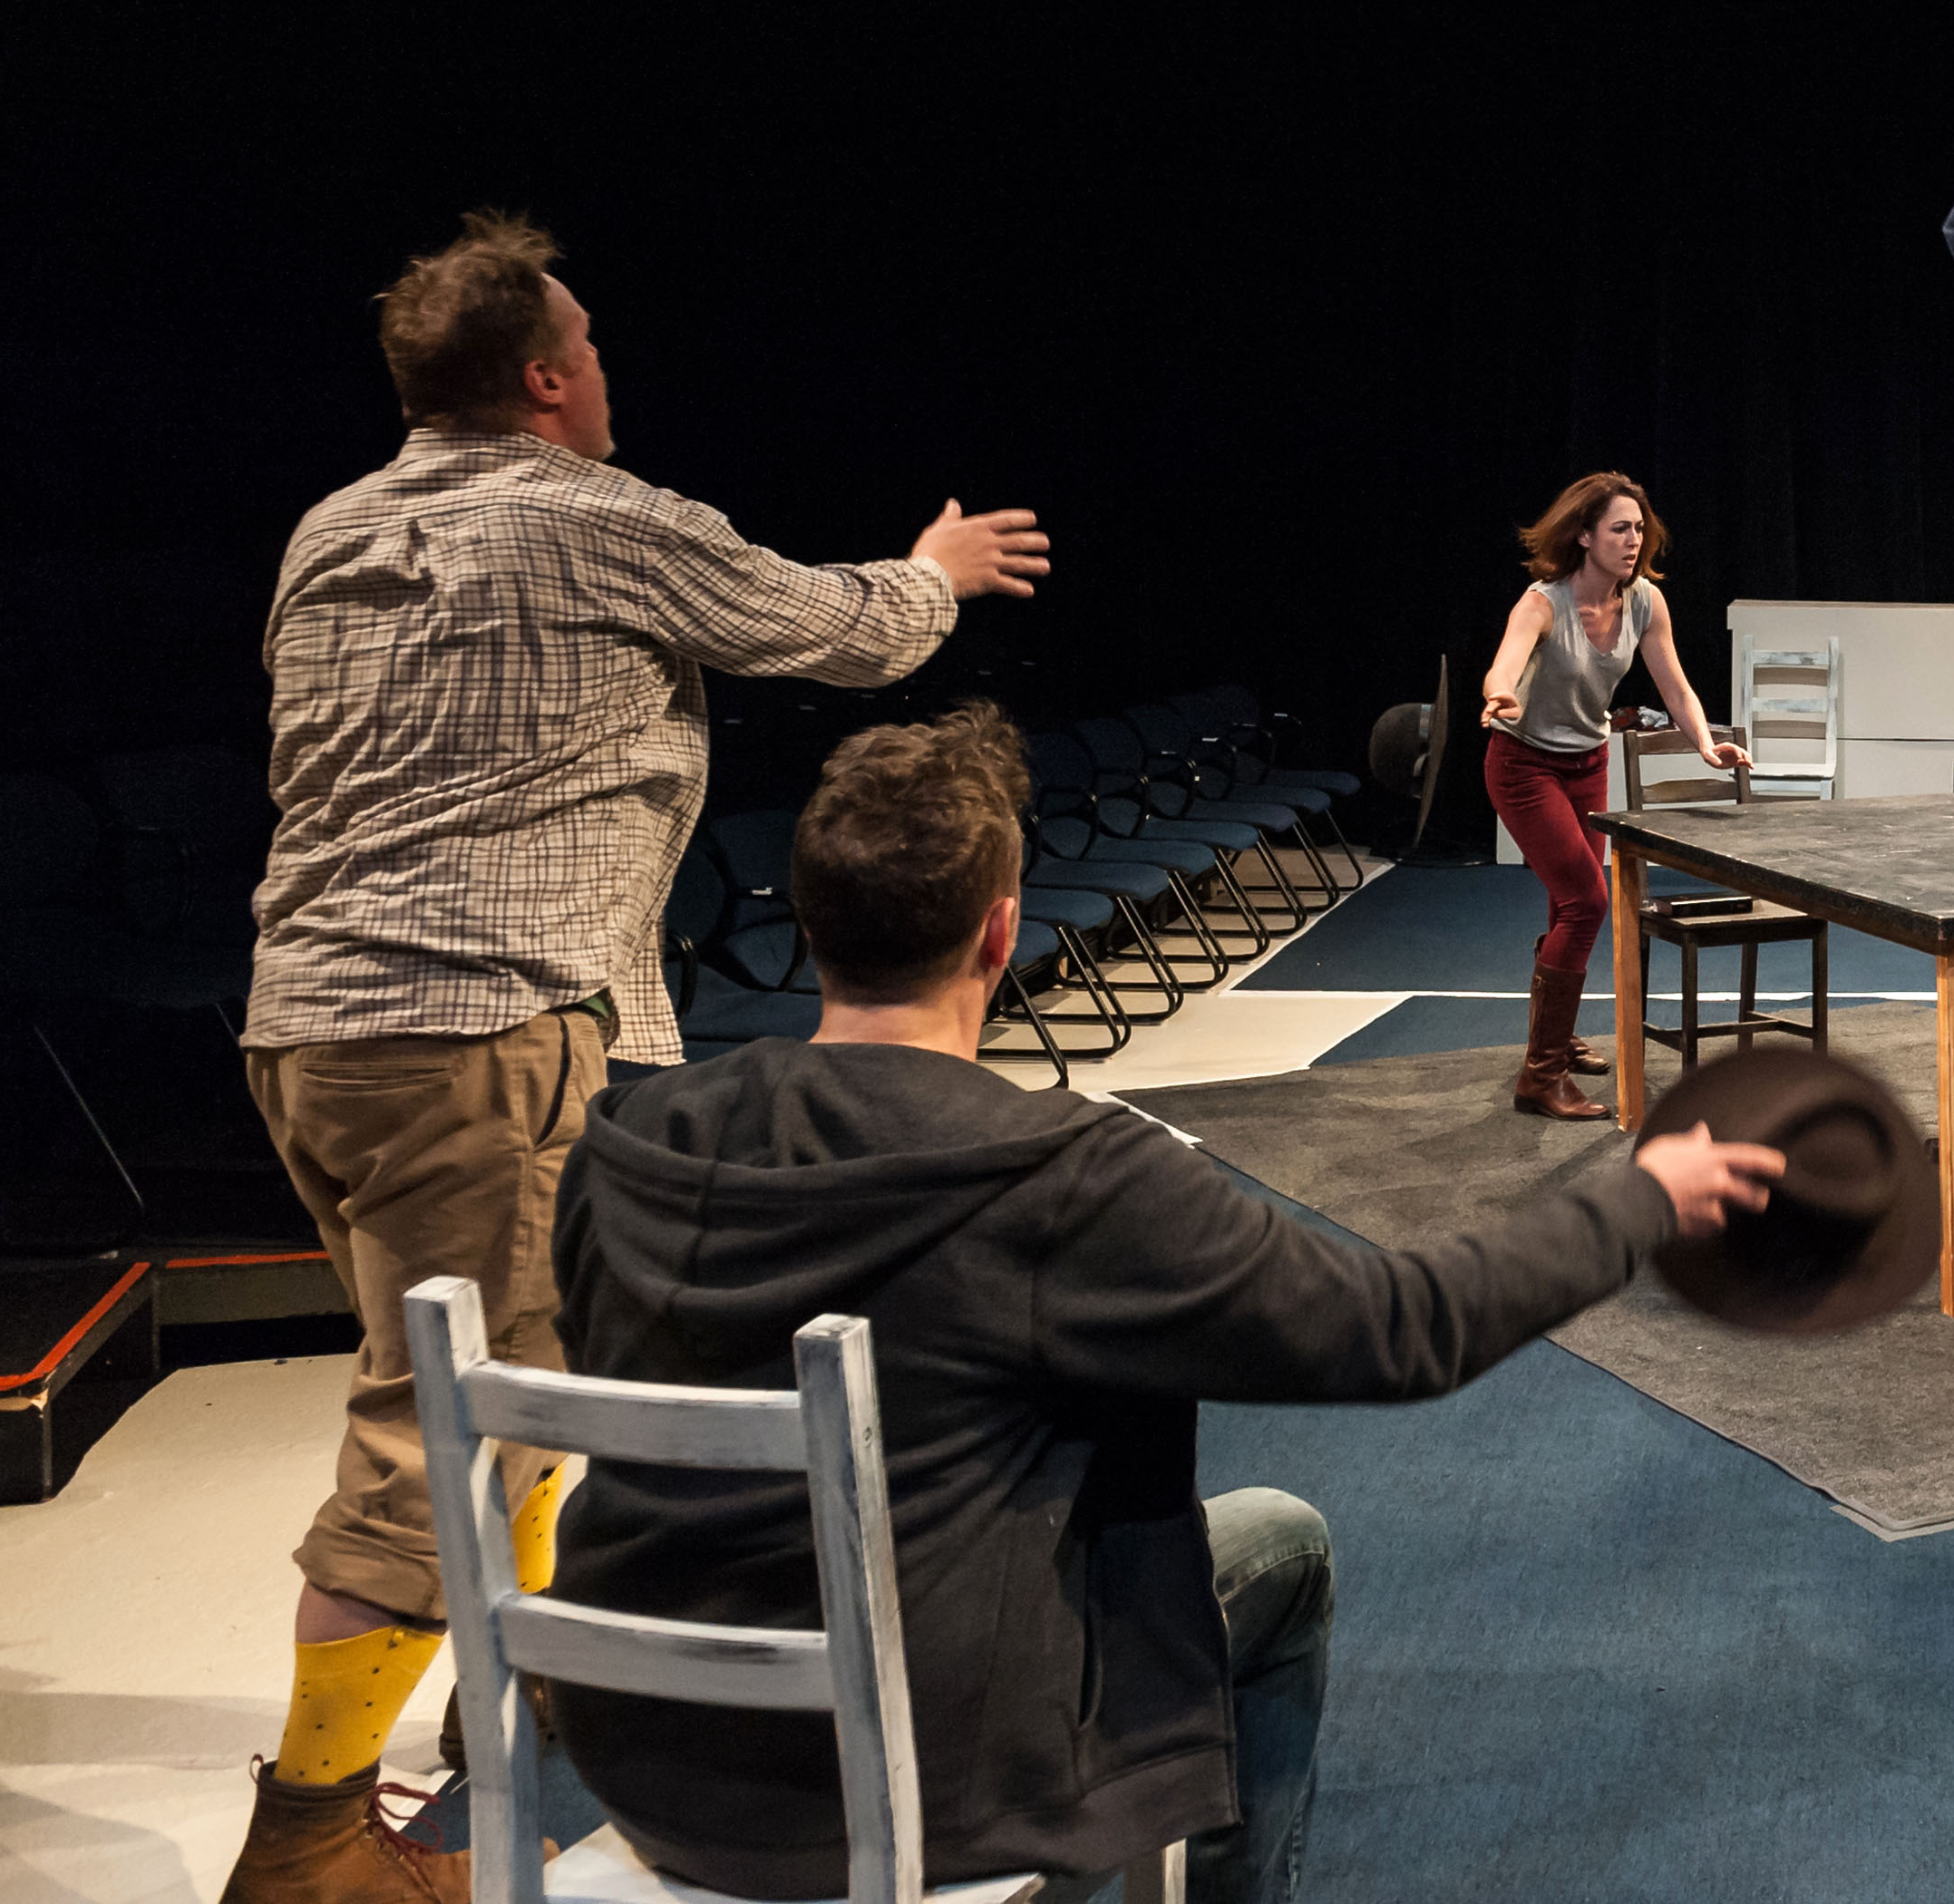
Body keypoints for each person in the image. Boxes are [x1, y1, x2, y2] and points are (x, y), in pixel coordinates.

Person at [545, 704, 1781, 1899]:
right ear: (1002, 934)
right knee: (1277, 1544)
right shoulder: (1060, 1179)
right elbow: (1404, 1328)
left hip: (646, 1752)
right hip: (928, 1780)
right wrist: (1640, 1199)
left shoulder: (629, 1141)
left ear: (806, 929)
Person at [222, 212, 1050, 1904]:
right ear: (542, 377)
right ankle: (309, 1844)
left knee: (501, 1382)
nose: (606, 369)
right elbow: (838, 631)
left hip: (307, 1028)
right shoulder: (596, 519)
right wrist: (937, 574)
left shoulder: (330, 529)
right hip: (477, 1027)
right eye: (587, 346)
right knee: (427, 1434)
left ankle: (506, 1701)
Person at [1478, 472, 1747, 1120]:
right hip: (1523, 766)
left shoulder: (1646, 602)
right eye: (1619, 529)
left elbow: (1675, 685)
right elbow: (1506, 660)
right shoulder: (1544, 603)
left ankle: (1557, 1039)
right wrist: (1500, 692)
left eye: (1638, 529)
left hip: (1587, 762)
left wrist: (1705, 743)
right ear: (1584, 535)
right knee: (1586, 901)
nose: (1633, 541)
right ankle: (1539, 1076)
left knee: (1565, 904)